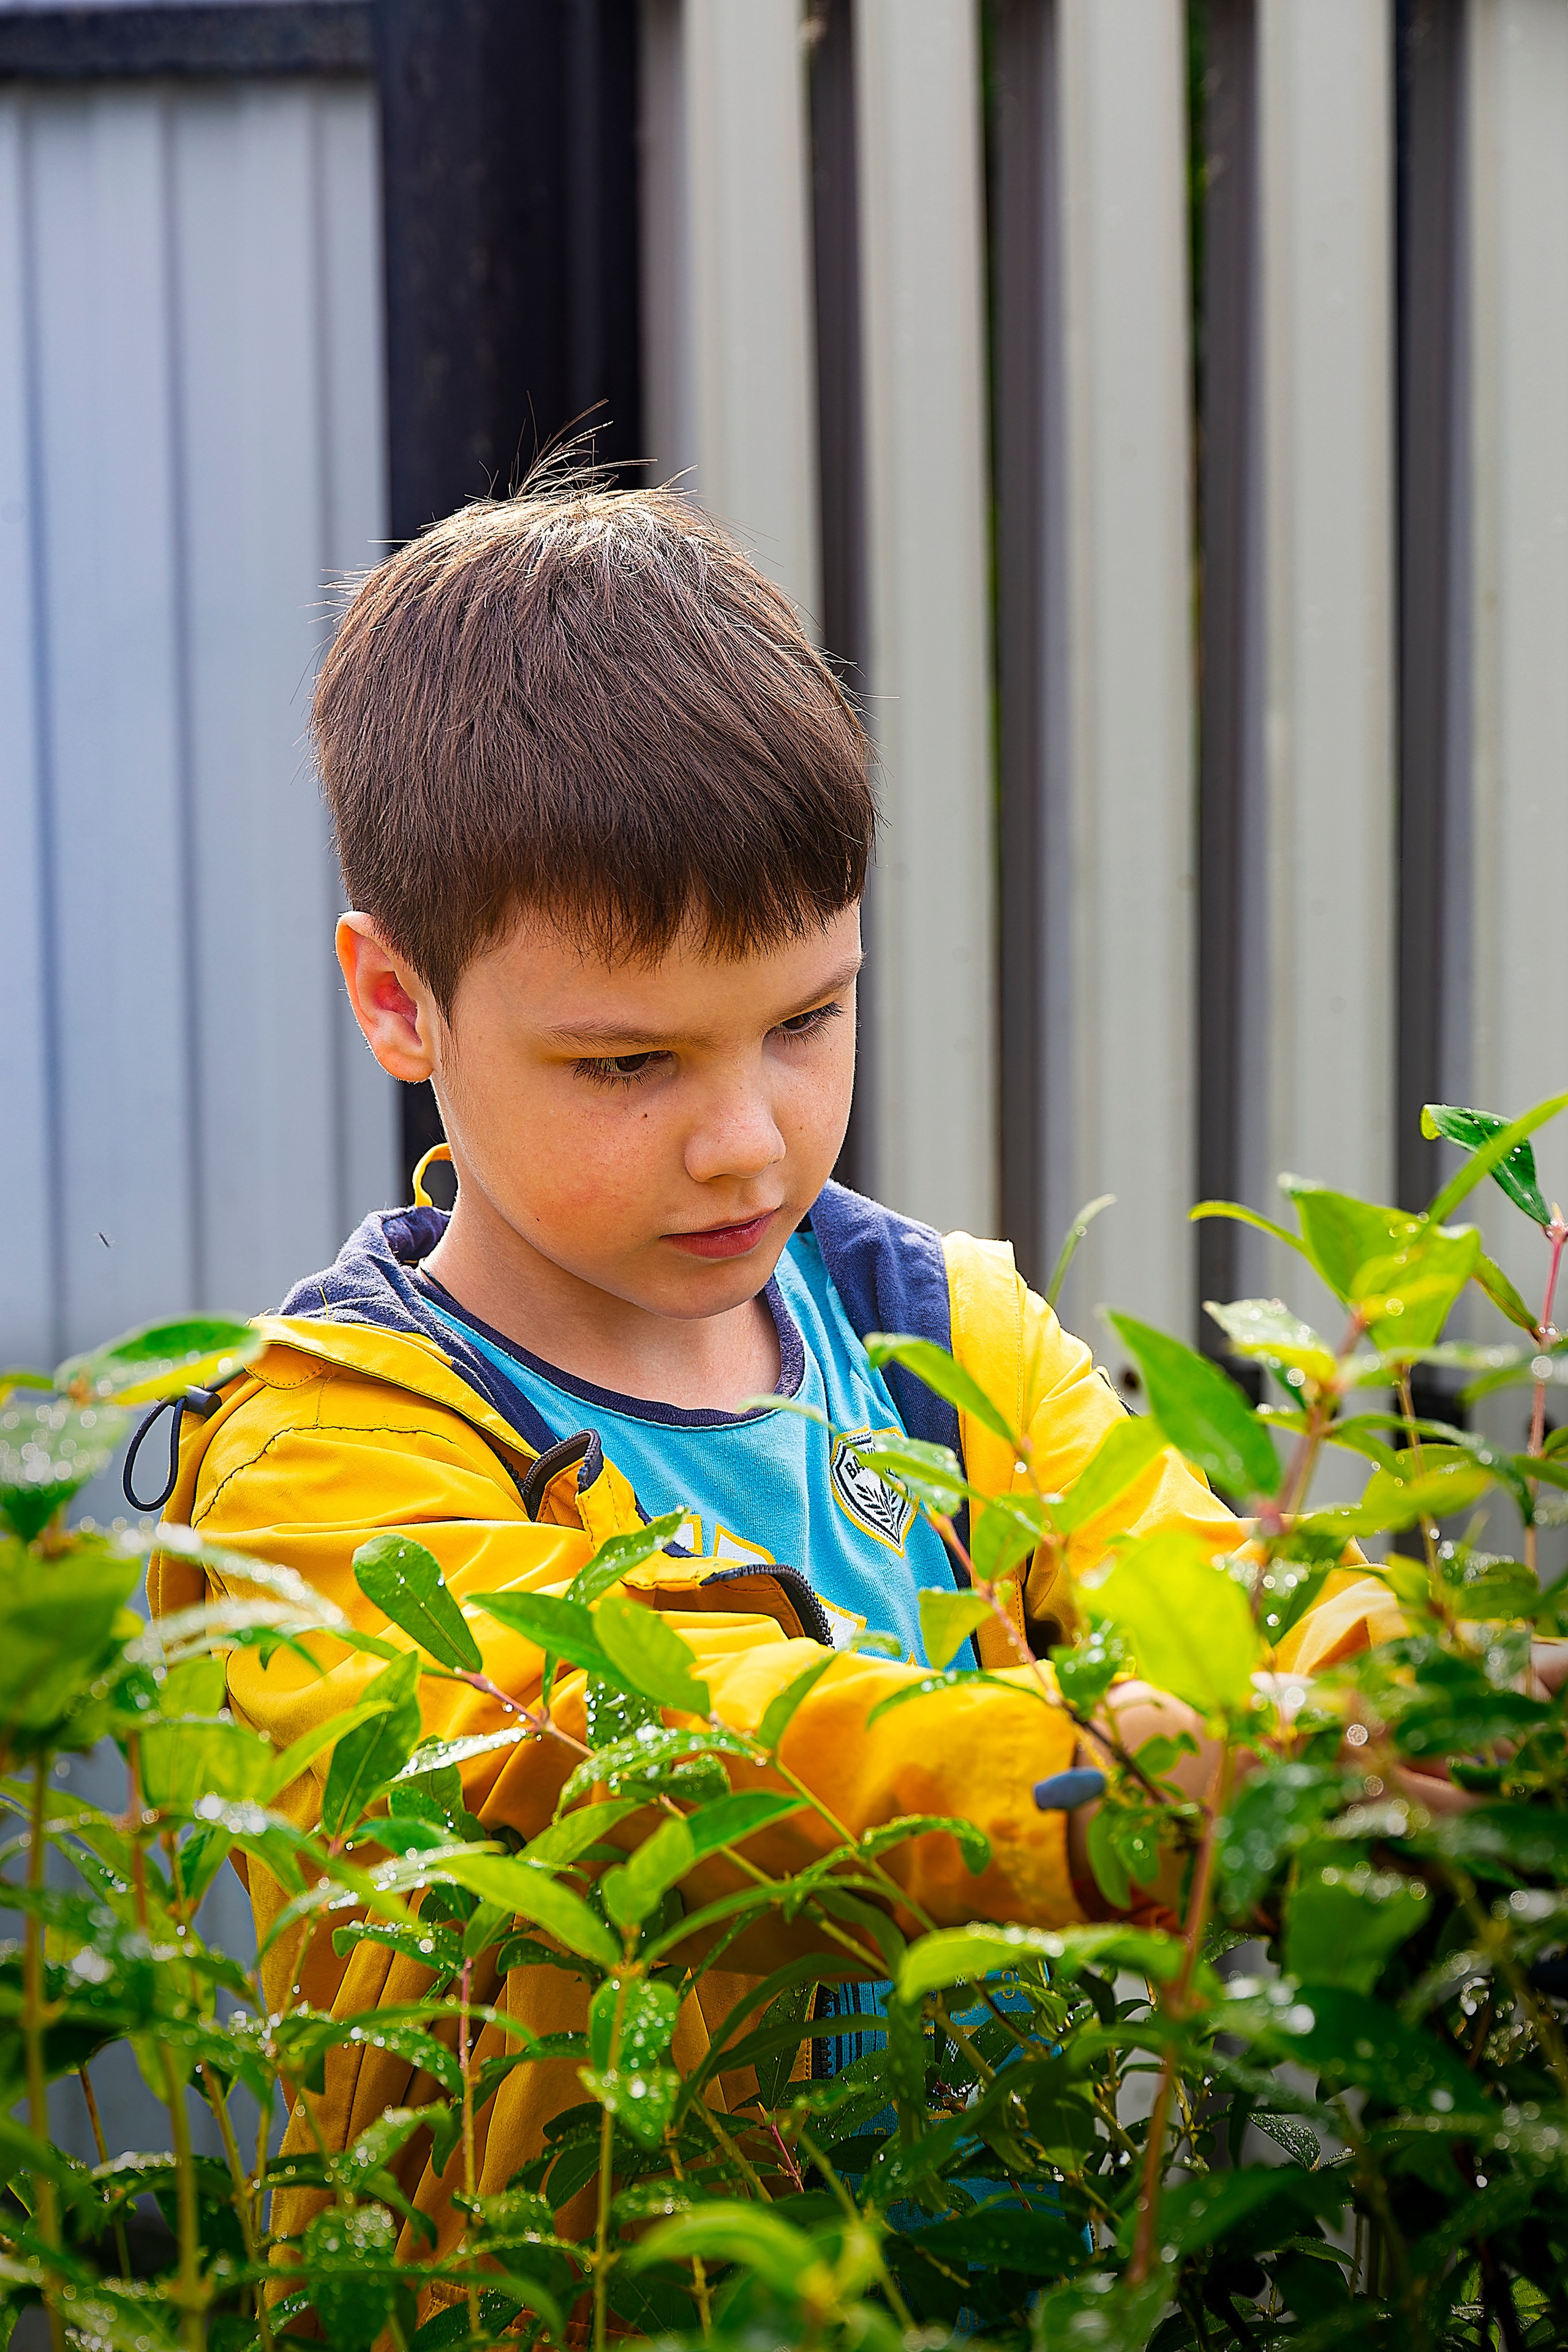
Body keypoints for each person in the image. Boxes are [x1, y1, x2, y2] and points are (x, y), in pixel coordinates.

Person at [148, 482, 1400, 2265]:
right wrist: (1097, 1802)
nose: (747, 1143)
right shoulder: (331, 1456)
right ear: (398, 1001)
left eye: (807, 1020)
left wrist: (1406, 1715)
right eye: (628, 1062)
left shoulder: (935, 1343)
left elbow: (1218, 1590)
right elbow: (650, 1744)